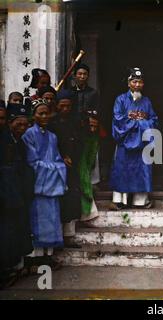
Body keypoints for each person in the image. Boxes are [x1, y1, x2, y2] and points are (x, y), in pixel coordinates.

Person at [22, 99, 66, 269]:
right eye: (40, 113)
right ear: (33, 116)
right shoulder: (28, 135)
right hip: (38, 185)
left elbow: (58, 159)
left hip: (51, 186)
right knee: (37, 219)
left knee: (52, 218)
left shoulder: (53, 137)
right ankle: (35, 258)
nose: (44, 116)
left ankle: (48, 256)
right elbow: (32, 162)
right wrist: (55, 169)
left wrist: (58, 167)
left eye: (46, 113)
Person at [110, 67, 158, 209]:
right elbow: (118, 120)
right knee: (122, 169)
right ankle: (119, 201)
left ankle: (140, 201)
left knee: (141, 169)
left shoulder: (147, 101)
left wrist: (139, 122)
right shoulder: (120, 100)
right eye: (134, 82)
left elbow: (154, 120)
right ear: (128, 83)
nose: (137, 85)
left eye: (140, 82)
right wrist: (138, 122)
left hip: (142, 143)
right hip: (125, 141)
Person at [0, 103, 34, 288]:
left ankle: (12, 267)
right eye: (18, 125)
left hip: (16, 196)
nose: (23, 129)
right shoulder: (5, 141)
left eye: (25, 125)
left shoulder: (18, 141)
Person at [48, 90, 83, 248]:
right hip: (57, 166)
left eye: (68, 106)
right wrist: (61, 157)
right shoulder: (51, 123)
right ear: (57, 106)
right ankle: (58, 238)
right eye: (62, 106)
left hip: (73, 165)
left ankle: (69, 236)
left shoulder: (75, 121)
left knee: (72, 199)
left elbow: (80, 141)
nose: (65, 109)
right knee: (60, 201)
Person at [71, 63, 103, 186]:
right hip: (74, 129)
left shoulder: (93, 93)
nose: (82, 76)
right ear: (75, 76)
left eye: (85, 74)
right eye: (79, 74)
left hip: (89, 128)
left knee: (91, 155)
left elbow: (97, 111)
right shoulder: (70, 92)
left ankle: (92, 183)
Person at [79, 109, 100, 225]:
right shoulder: (81, 138)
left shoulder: (94, 137)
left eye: (95, 127)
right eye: (90, 126)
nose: (92, 129)